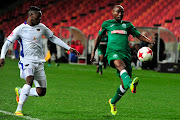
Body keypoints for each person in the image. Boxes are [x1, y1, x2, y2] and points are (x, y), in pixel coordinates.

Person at [0, 6, 79, 116]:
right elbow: (7, 43)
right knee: (29, 80)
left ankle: (21, 91)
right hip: (26, 61)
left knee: (41, 92)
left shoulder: (41, 27)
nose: (40, 19)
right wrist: (2, 57)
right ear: (31, 15)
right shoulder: (20, 29)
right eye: (38, 16)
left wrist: (68, 47)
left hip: (39, 62)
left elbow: (53, 38)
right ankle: (19, 109)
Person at [90, 5, 155, 116]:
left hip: (125, 54)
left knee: (123, 86)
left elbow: (138, 35)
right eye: (118, 12)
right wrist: (93, 52)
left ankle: (113, 101)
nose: (120, 14)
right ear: (113, 12)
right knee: (120, 66)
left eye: (122, 12)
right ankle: (131, 84)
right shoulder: (107, 24)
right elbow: (98, 37)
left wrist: (149, 40)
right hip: (112, 53)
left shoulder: (127, 25)